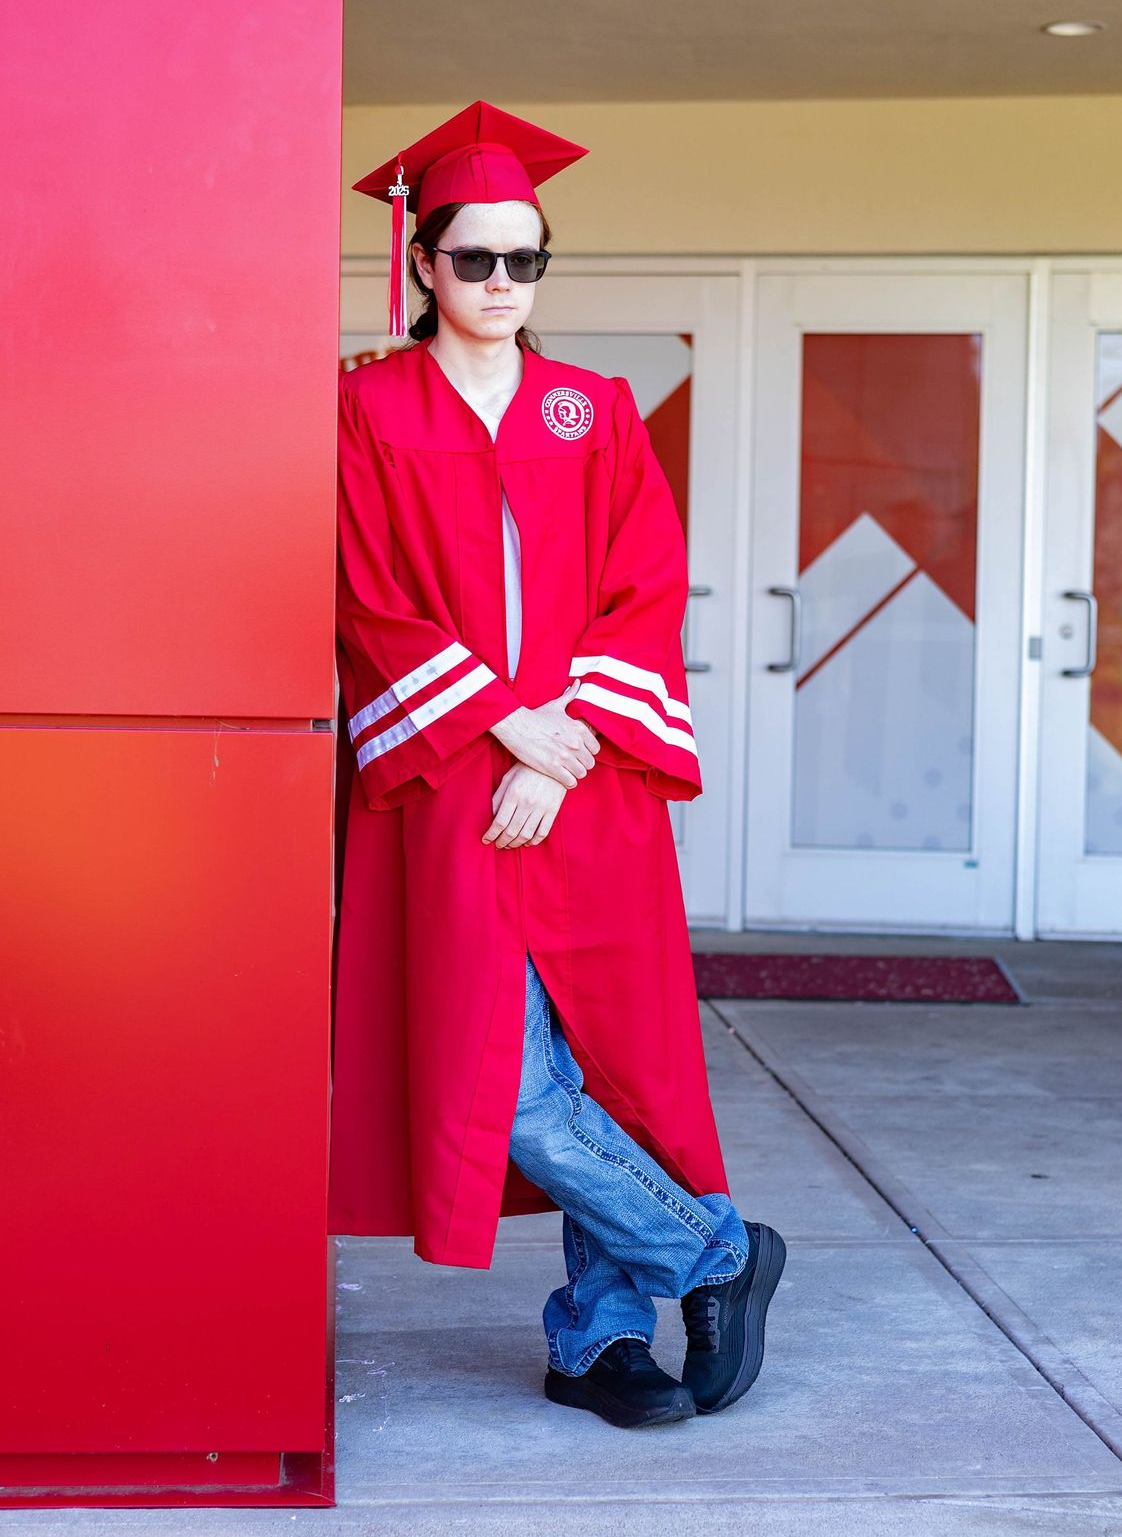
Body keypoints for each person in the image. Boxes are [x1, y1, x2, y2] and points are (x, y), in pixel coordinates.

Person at [330, 100, 784, 1429]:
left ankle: (599, 1339)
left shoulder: (596, 408)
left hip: (592, 782)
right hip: (455, 779)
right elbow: (367, 595)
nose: (501, 285)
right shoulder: (366, 408)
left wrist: (566, 742)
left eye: (526, 261)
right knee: (508, 1080)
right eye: (476, 259)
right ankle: (713, 1252)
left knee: (621, 1057)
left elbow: (645, 586)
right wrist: (502, 728)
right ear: (424, 262)